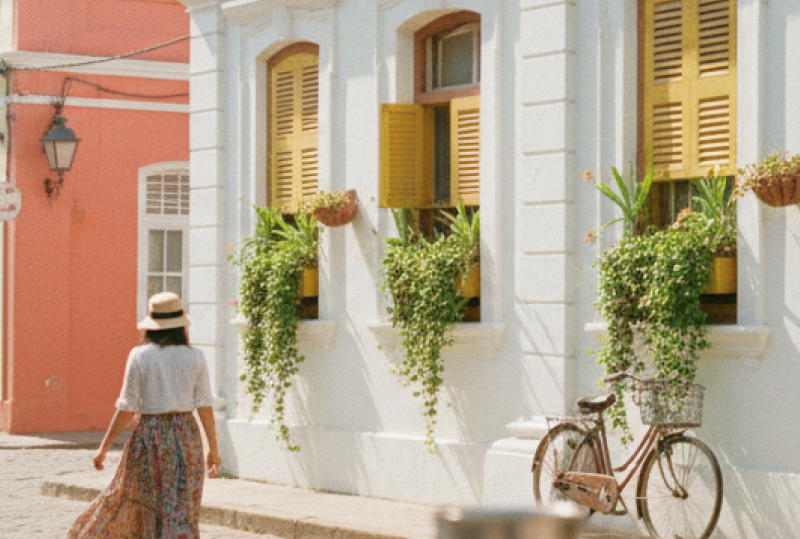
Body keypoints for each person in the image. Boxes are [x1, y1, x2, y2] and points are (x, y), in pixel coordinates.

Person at [67, 292, 222, 539]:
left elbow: (126, 407)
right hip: (186, 438)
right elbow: (205, 407)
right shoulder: (196, 357)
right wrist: (213, 449)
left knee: (141, 505)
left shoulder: (139, 355)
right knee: (181, 509)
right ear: (181, 325)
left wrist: (104, 447)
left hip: (149, 437)